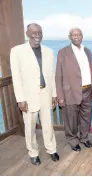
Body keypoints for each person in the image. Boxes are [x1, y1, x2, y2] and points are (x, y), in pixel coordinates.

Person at [10, 23, 59, 165]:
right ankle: (33, 152)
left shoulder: (49, 51)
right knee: (30, 126)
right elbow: (16, 77)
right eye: (34, 33)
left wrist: (54, 94)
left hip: (46, 93)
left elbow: (52, 75)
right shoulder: (17, 51)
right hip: (28, 96)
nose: (37, 35)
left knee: (48, 124)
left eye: (39, 33)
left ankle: (51, 149)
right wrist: (20, 99)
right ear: (27, 34)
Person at [55, 28, 92, 151]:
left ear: (82, 36)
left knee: (86, 117)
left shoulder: (87, 51)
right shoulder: (63, 52)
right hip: (70, 91)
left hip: (88, 90)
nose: (77, 36)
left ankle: (84, 138)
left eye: (79, 34)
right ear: (70, 37)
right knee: (71, 118)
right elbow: (58, 75)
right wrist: (60, 96)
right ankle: (73, 140)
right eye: (74, 35)